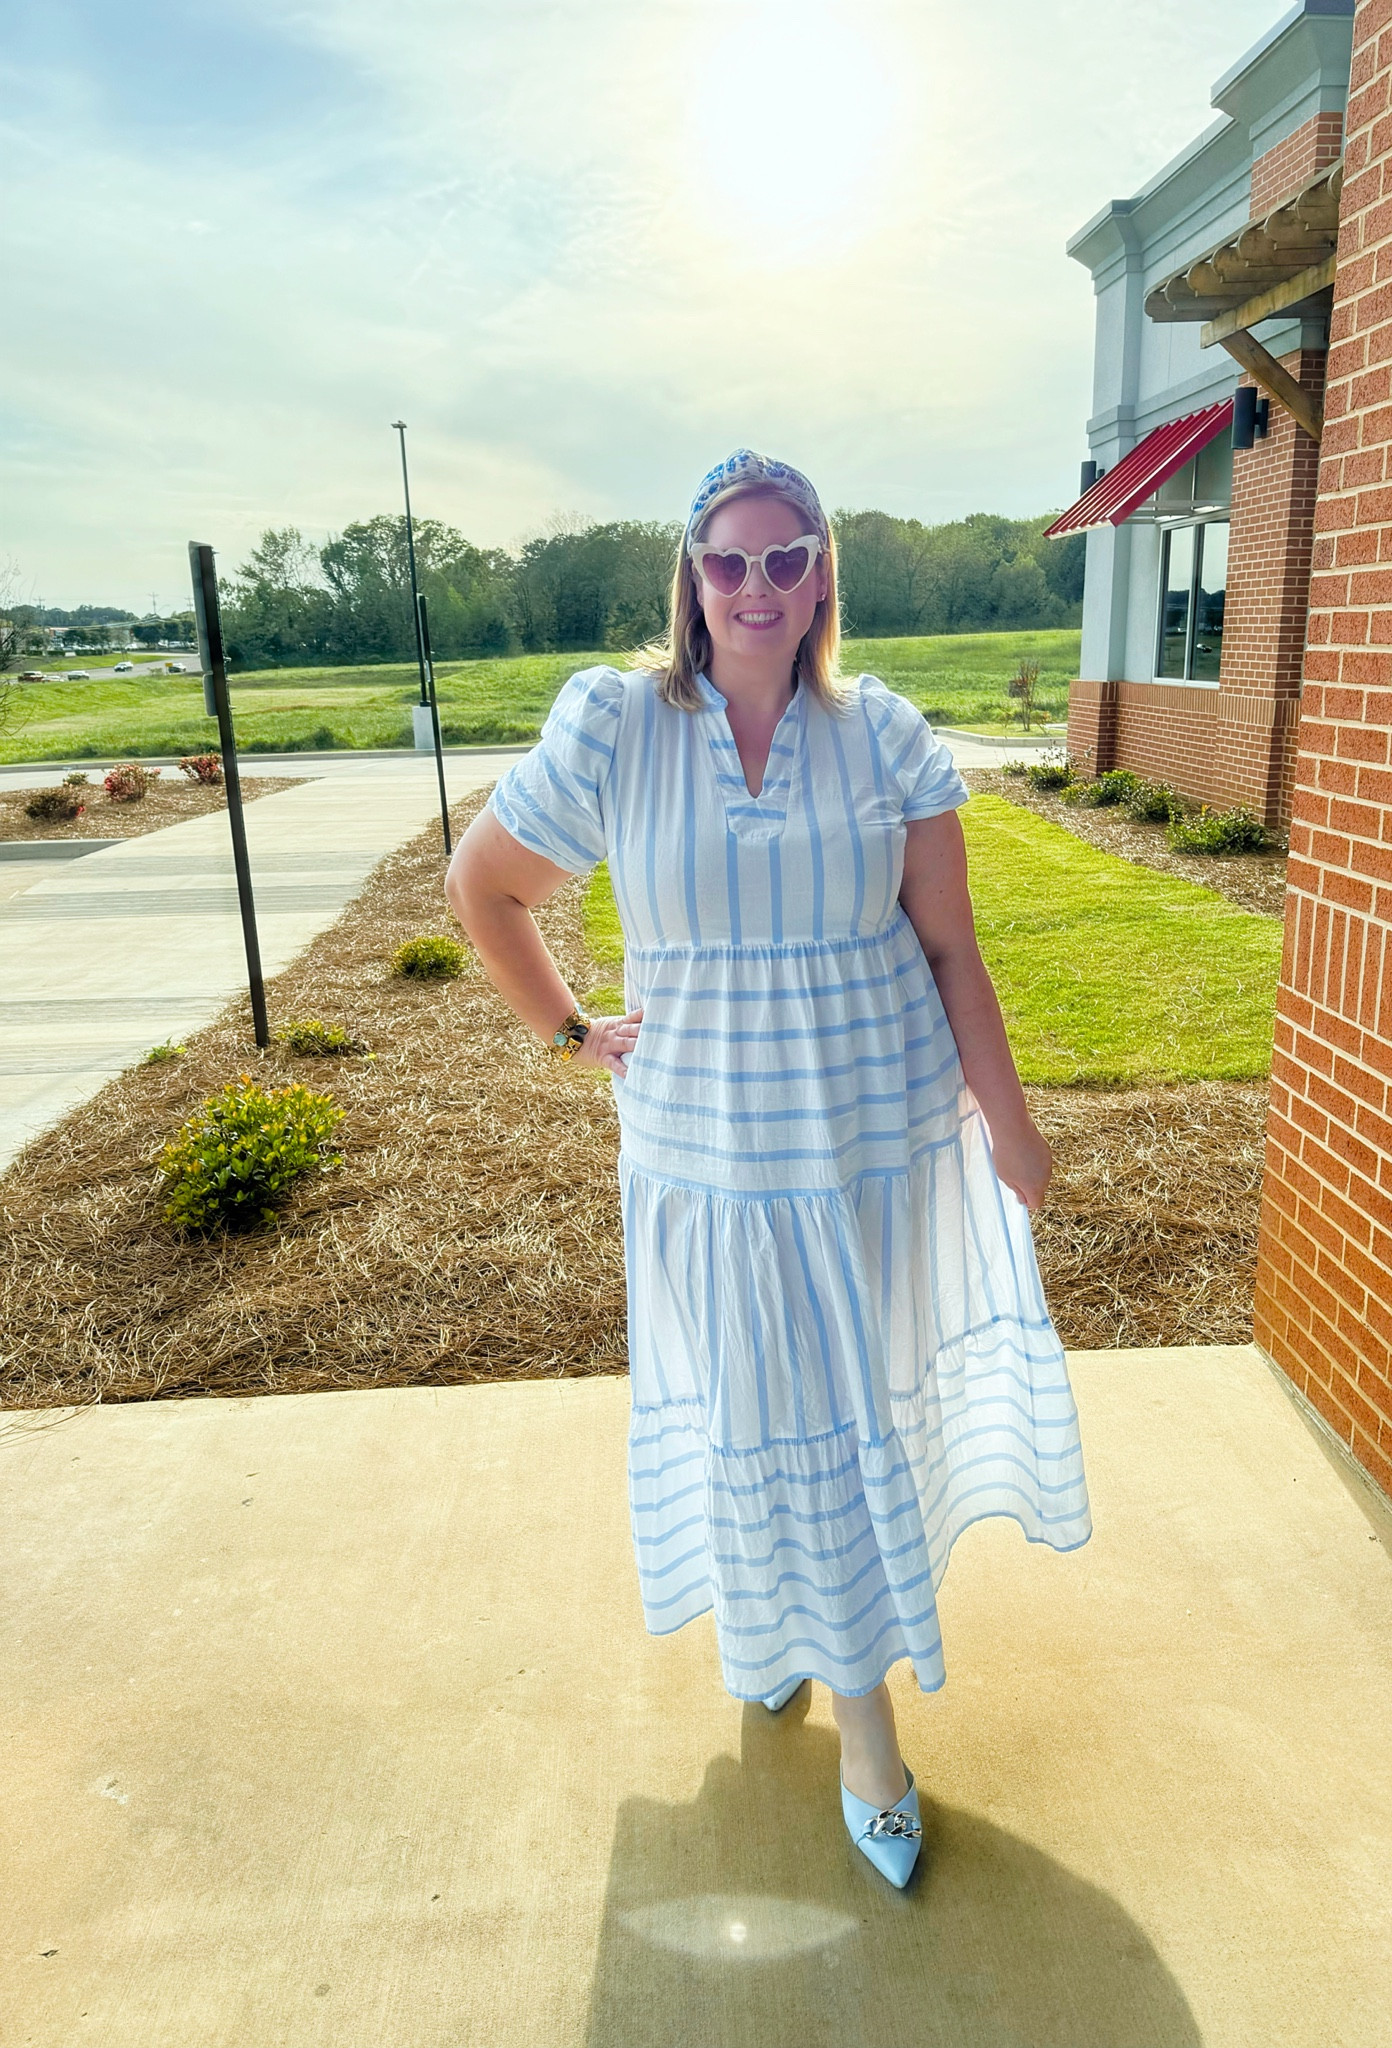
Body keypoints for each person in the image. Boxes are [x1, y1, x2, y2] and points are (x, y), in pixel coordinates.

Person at [445, 449, 1091, 1889]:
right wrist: (566, 1027)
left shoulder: (887, 736)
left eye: (786, 558)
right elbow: (482, 887)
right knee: (754, 1408)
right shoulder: (619, 724)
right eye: (728, 560)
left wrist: (1011, 1120)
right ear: (690, 576)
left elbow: (948, 949)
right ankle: (784, 1635)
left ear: (822, 581)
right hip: (705, 1155)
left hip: (871, 1137)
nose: (756, 586)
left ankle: (862, 1728)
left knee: (840, 1414)